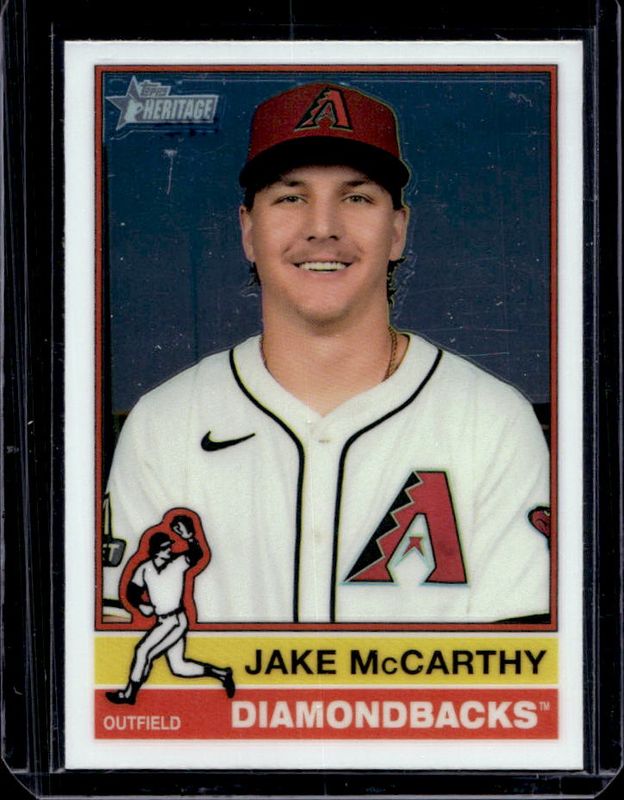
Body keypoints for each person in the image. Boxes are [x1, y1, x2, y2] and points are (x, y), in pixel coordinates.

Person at [104, 82, 550, 624]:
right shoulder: (164, 425)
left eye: (356, 197)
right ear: (248, 230)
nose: (322, 228)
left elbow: (526, 666)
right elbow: (122, 655)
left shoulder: (491, 422)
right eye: (290, 197)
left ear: (397, 231)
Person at [106, 512, 235, 704]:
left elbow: (197, 554)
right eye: (165, 548)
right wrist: (141, 605)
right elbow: (132, 592)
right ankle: (222, 674)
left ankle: (129, 694)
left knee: (143, 652)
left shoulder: (177, 563)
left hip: (175, 621)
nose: (169, 550)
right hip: (163, 620)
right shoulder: (145, 568)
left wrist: (189, 537)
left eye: (169, 547)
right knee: (179, 667)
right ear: (156, 550)